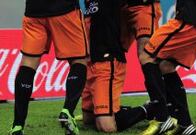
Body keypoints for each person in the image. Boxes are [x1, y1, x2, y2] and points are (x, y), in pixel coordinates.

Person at [140, 0, 196, 135]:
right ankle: (185, 124)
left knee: (147, 56)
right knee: (166, 66)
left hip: (191, 21)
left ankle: (161, 119)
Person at [9, 0, 88, 135]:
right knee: (79, 59)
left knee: (28, 62)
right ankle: (67, 111)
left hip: (33, 11)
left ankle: (17, 126)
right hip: (64, 10)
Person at [80, 0, 158, 133]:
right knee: (88, 118)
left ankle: (151, 108)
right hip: (90, 61)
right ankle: (117, 111)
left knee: (106, 126)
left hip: (107, 61)